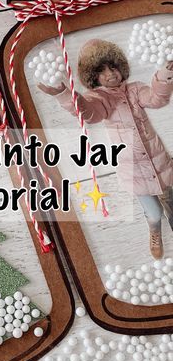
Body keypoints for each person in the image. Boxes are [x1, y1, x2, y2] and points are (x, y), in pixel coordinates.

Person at [38, 38, 173, 260]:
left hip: (160, 163)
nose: (111, 74)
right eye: (102, 71)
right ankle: (154, 229)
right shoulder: (100, 98)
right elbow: (88, 112)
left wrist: (164, 75)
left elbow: (157, 98)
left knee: (170, 202)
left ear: (121, 67)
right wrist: (64, 93)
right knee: (154, 212)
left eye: (113, 67)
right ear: (94, 76)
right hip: (134, 171)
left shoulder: (136, 89)